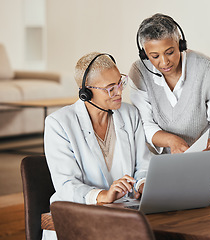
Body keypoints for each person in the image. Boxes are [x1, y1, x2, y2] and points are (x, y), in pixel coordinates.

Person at [43, 52, 150, 239]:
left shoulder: (130, 114)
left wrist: (142, 184)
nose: (119, 92)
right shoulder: (59, 124)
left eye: (120, 83)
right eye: (110, 88)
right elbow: (66, 185)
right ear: (86, 93)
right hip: (77, 217)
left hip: (124, 214)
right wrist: (103, 195)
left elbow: (143, 166)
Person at [129, 13, 210, 178]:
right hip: (161, 166)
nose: (164, 62)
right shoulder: (139, 72)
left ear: (180, 43)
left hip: (205, 162)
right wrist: (171, 141)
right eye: (155, 56)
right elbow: (144, 124)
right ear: (144, 53)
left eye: (170, 52)